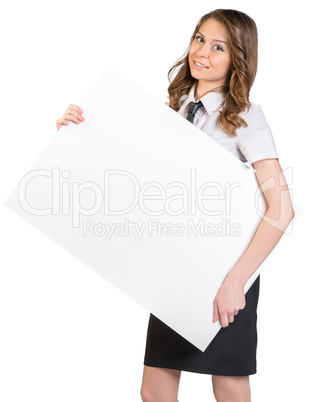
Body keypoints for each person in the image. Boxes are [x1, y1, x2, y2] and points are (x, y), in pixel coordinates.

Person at [56, 9, 295, 402]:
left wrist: (236, 282)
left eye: (218, 47)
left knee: (228, 386)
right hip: (176, 273)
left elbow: (281, 209)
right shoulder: (176, 108)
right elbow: (139, 177)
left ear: (239, 58)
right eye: (199, 39)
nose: (202, 52)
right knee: (155, 389)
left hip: (227, 275)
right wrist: (81, 133)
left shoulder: (245, 118)